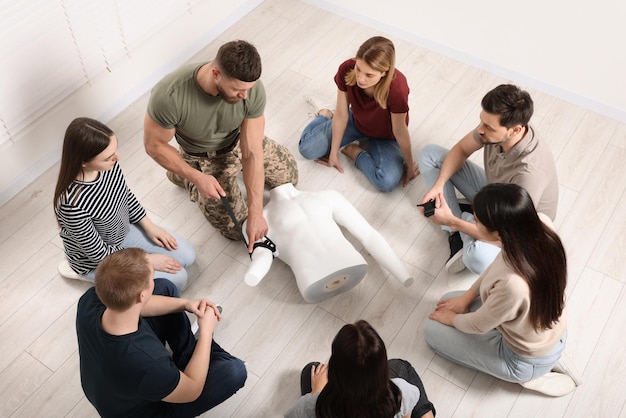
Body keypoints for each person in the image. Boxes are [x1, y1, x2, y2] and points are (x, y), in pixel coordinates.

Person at [424, 183, 579, 397]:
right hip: (546, 326)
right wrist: (467, 298)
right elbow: (498, 267)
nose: (473, 222)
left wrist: (450, 319)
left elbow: (478, 324)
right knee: (449, 300)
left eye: (477, 221)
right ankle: (550, 352)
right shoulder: (540, 225)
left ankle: (533, 375)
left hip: (523, 357)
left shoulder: (513, 284)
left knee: (431, 331)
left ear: (498, 233)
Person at [144, 39, 298, 251]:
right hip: (200, 156)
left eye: (248, 89)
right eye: (237, 89)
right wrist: (197, 178)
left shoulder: (250, 89)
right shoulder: (169, 96)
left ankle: (201, 174)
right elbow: (154, 145)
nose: (244, 95)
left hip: (236, 143)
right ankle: (183, 175)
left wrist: (256, 212)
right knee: (237, 230)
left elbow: (251, 152)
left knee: (289, 178)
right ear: (216, 73)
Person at [76, 248, 247, 417]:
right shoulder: (147, 363)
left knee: (165, 287)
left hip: (110, 391)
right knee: (234, 371)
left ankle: (189, 358)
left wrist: (186, 304)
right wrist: (206, 332)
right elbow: (192, 391)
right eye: (152, 278)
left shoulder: (89, 300)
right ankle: (196, 358)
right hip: (142, 411)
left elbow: (141, 306)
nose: (153, 280)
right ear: (142, 296)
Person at [417, 84, 558, 275]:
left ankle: (461, 220)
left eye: (488, 127)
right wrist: (439, 185)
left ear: (515, 130)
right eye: (481, 121)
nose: (480, 130)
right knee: (430, 154)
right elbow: (462, 149)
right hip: (495, 191)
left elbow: (506, 237)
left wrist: (452, 221)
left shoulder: (530, 174)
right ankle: (459, 229)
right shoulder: (496, 131)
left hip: (518, 226)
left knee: (477, 258)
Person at [54, 117, 195, 290]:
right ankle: (90, 277)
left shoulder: (109, 167)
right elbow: (99, 255)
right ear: (83, 162)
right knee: (178, 280)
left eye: (115, 151)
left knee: (188, 256)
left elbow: (125, 196)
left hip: (123, 232)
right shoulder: (71, 205)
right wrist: (147, 260)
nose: (117, 158)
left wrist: (150, 226)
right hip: (99, 261)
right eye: (108, 157)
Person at [242, 183, 413, 302]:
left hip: (352, 264)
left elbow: (368, 234)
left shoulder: (328, 196)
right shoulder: (258, 220)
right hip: (312, 278)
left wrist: (402, 274)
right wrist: (254, 274)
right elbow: (263, 254)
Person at [298, 36, 419, 192]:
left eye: (369, 75)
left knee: (386, 182)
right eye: (358, 68)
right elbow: (341, 113)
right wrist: (333, 152)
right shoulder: (346, 69)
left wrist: (409, 165)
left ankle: (353, 151)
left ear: (384, 72)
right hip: (357, 121)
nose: (361, 79)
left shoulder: (397, 88)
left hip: (387, 137)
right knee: (306, 150)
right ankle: (325, 114)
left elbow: (400, 130)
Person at [285, 320, 435, 418]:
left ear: (336, 369)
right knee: (401, 366)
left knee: (311, 370)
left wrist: (315, 393)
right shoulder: (400, 393)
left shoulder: (311, 407)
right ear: (381, 370)